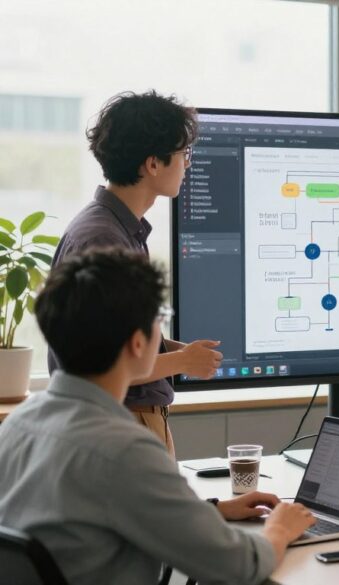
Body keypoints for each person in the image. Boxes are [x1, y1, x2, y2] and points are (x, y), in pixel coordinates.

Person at [0, 248, 315, 585]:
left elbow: (90, 515)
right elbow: (237, 565)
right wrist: (280, 530)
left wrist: (212, 511)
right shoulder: (123, 450)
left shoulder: (19, 424)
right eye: (158, 320)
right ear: (138, 343)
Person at [49, 90, 223, 456]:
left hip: (134, 418)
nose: (188, 165)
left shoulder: (118, 229)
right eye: (183, 154)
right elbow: (104, 364)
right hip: (125, 422)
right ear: (153, 164)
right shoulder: (103, 240)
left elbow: (116, 340)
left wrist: (178, 350)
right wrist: (183, 361)